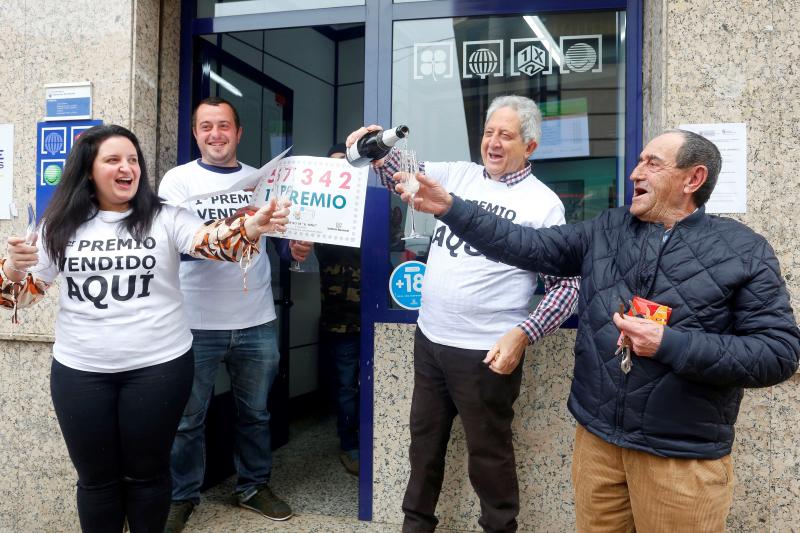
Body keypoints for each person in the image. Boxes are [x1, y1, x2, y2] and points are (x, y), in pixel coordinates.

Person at [401, 129, 800, 532]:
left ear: (692, 179)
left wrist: (670, 344)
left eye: (652, 163)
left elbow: (778, 353)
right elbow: (526, 245)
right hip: (597, 444)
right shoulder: (608, 228)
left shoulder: (744, 250)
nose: (635, 172)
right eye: (639, 160)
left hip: (681, 458)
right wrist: (451, 208)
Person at [0, 124, 287, 533]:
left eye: (133, 160)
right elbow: (17, 297)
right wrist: (13, 266)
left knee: (148, 476)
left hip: (159, 369)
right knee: (97, 481)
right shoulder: (58, 226)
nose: (127, 168)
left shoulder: (166, 217)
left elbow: (214, 242)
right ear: (88, 170)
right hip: (80, 372)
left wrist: (253, 226)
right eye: (113, 160)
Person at [347, 95, 580, 533]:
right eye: (489, 132)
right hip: (432, 341)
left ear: (529, 147)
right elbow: (396, 170)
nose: (493, 142)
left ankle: (499, 528)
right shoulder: (458, 175)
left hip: (486, 353)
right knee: (424, 446)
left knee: (489, 455)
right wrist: (371, 144)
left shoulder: (544, 204)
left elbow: (567, 288)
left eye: (505, 135)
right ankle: (416, 526)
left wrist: (524, 333)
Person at [158, 97, 311, 531]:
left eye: (223, 126)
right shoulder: (177, 181)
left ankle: (252, 487)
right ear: (195, 133)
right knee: (187, 419)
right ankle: (181, 496)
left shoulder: (263, 180)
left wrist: (294, 248)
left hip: (255, 319)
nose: (215, 134)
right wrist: (229, 232)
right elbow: (170, 247)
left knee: (256, 413)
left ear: (238, 133)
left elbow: (279, 241)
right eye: (206, 126)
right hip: (192, 323)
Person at [315, 142, 361, 476]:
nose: (339, 172)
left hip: (376, 311)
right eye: (332, 167)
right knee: (347, 385)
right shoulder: (318, 211)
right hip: (340, 317)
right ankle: (350, 445)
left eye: (344, 165)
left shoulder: (375, 206)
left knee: (370, 383)